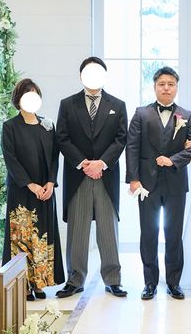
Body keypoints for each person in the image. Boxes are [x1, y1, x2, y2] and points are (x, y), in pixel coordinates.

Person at [55, 57, 128, 298]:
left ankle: (113, 279)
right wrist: (83, 163)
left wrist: (102, 163)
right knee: (78, 230)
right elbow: (62, 137)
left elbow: (121, 139)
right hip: (79, 175)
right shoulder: (68, 104)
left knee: (108, 229)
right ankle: (75, 279)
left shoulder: (118, 105)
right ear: (81, 76)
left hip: (106, 175)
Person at [126, 66, 191, 301]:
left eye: (171, 84)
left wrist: (173, 160)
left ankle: (174, 283)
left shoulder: (187, 115)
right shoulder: (141, 113)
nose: (166, 88)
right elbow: (132, 147)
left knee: (174, 234)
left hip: (176, 184)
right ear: (155, 87)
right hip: (146, 184)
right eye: (162, 84)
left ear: (176, 87)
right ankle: (149, 283)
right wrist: (134, 179)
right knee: (148, 233)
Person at [1, 78, 65, 301]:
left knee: (42, 236)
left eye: (35, 94)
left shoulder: (47, 125)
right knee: (21, 237)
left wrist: (50, 183)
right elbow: (11, 159)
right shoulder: (10, 126)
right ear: (18, 99)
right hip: (22, 190)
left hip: (45, 191)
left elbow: (55, 157)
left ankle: (39, 282)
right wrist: (31, 185)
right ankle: (24, 284)